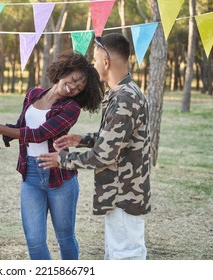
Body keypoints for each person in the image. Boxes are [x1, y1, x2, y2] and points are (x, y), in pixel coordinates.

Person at [0, 51, 104, 260]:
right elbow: (22, 128)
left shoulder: (71, 108)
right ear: (65, 70)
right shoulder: (33, 94)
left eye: (79, 88)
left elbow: (40, 134)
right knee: (34, 240)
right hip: (31, 175)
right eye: (75, 79)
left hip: (59, 175)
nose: (74, 86)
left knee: (65, 238)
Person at [38, 33, 151, 260]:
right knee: (117, 254)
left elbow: (104, 155)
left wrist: (62, 160)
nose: (94, 64)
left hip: (124, 193)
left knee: (125, 256)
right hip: (122, 191)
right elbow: (118, 138)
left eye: (96, 59)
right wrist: (82, 139)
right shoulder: (124, 93)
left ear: (106, 62)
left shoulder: (124, 99)